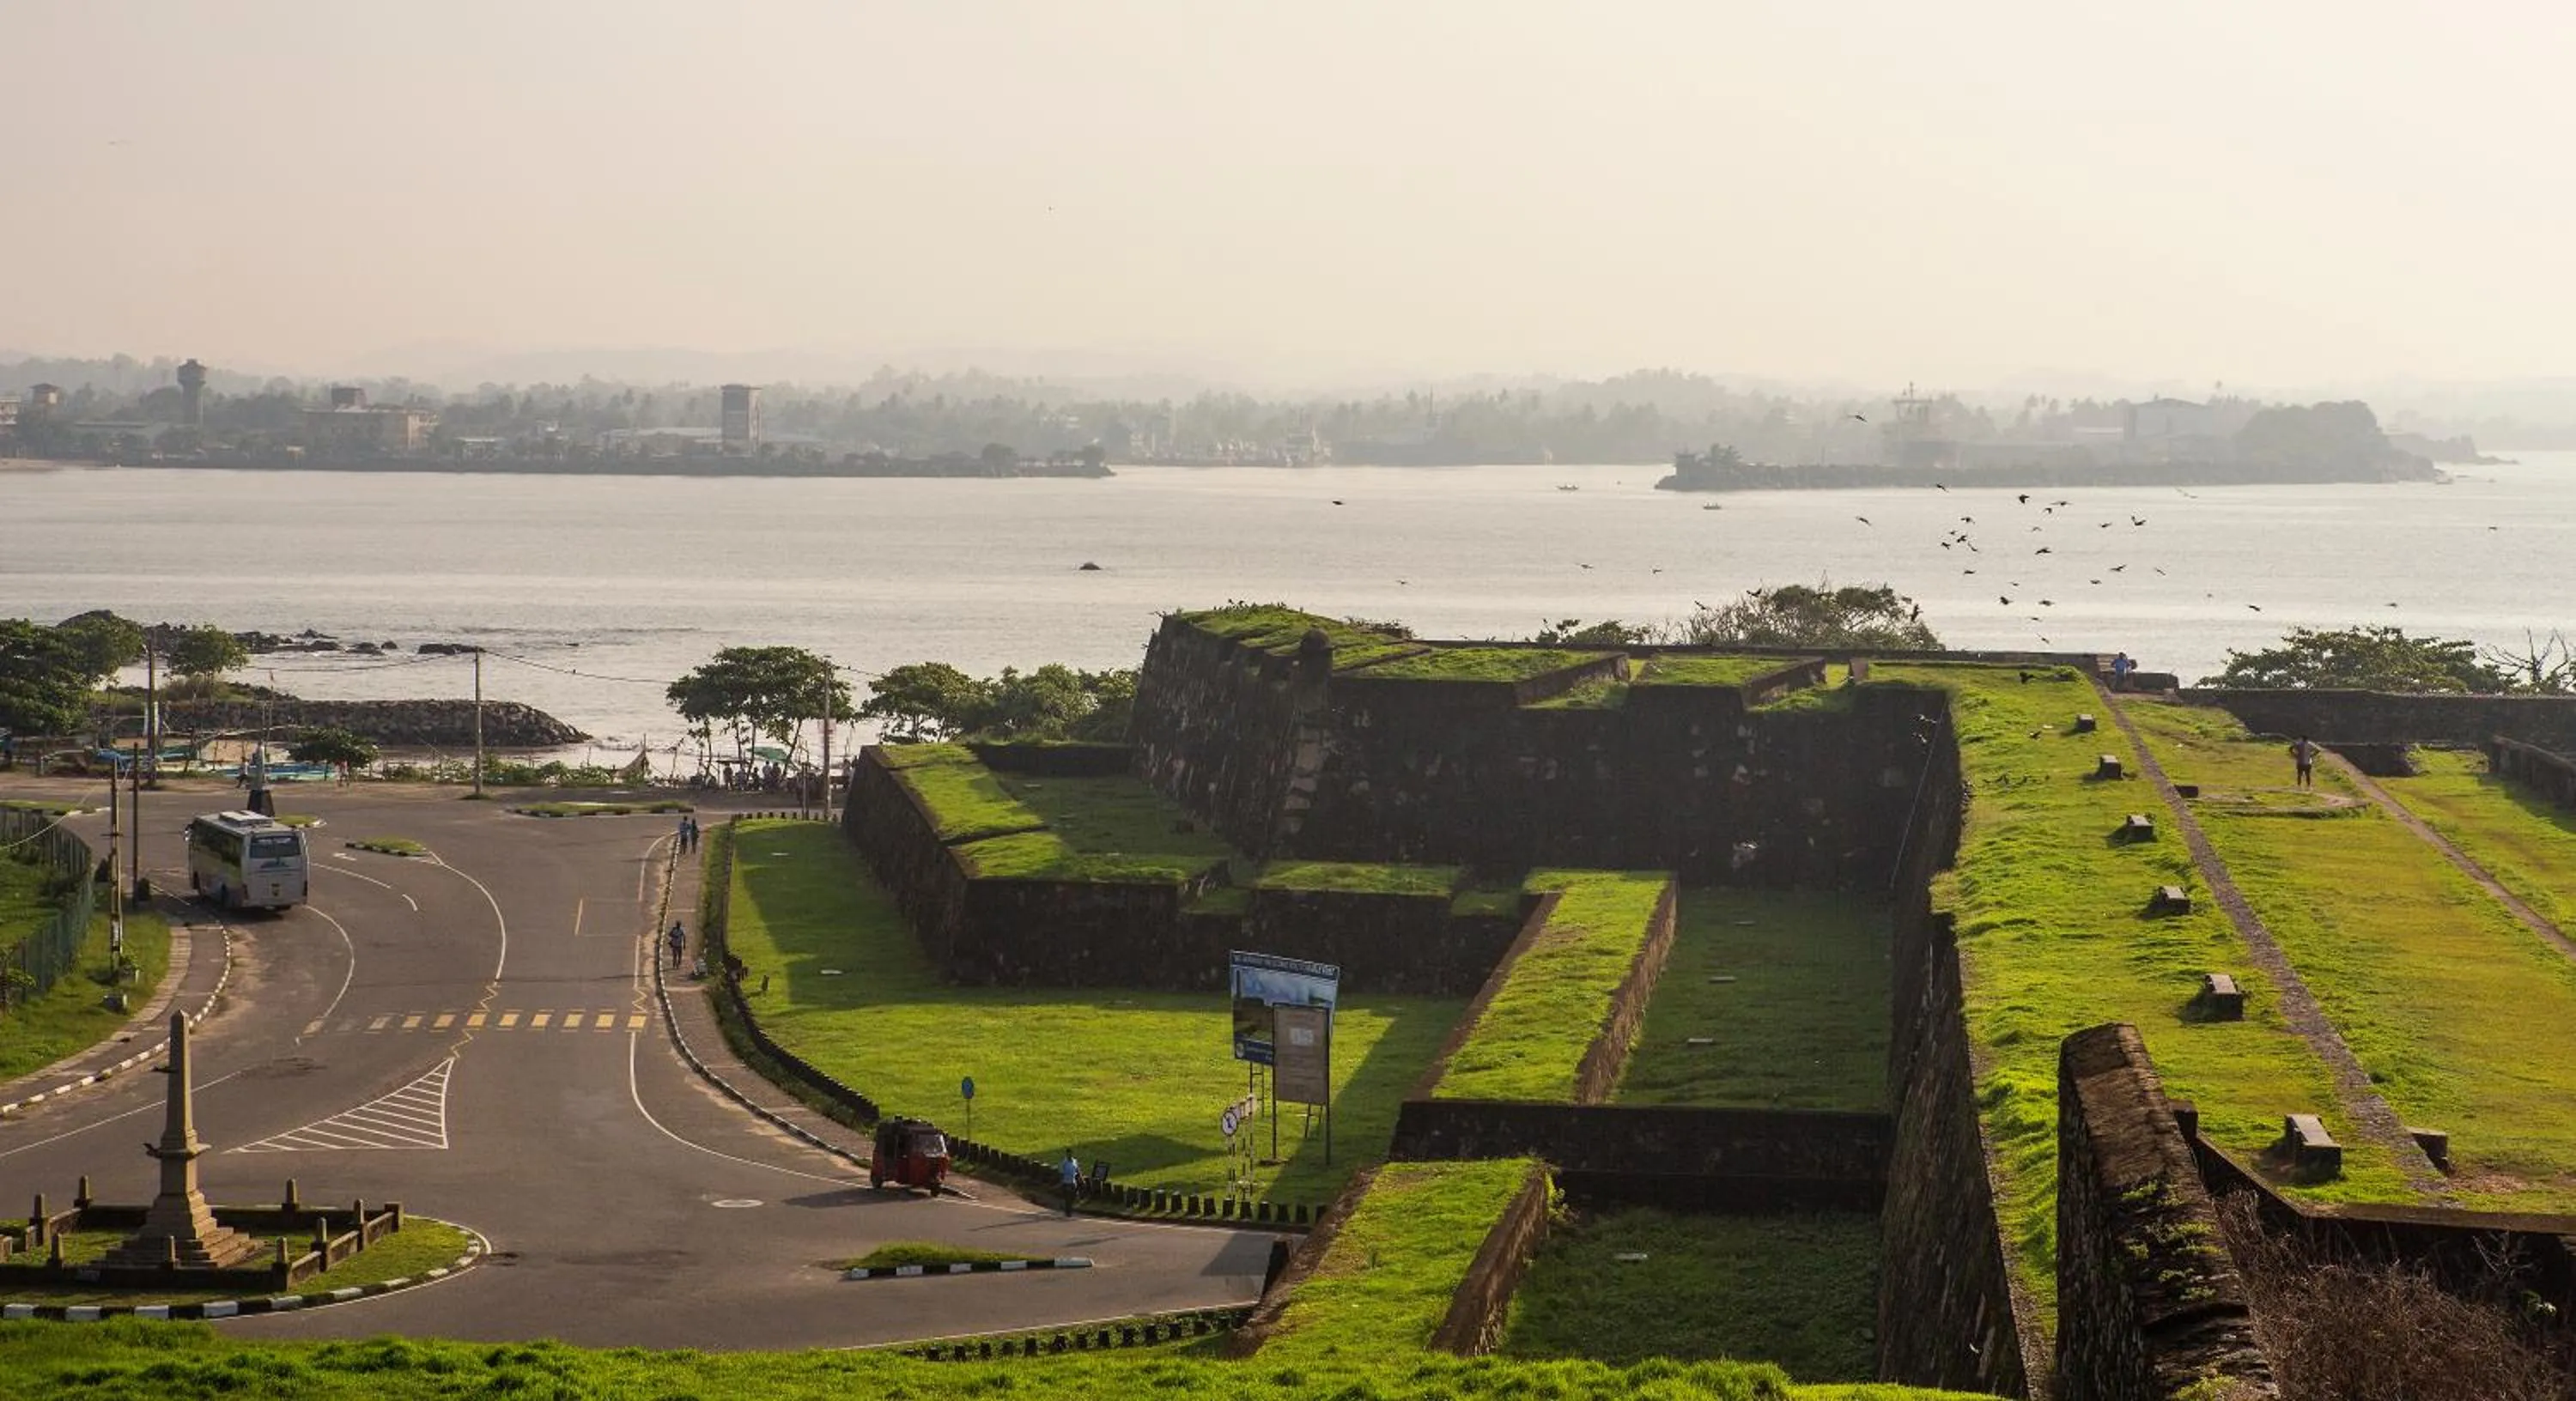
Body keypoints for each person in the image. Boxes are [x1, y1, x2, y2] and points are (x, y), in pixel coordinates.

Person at [1058, 1149, 1081, 1216]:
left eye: (1070, 1153)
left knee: (1073, 1196)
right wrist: (1061, 1181)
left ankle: (1068, 1208)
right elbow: (1061, 1173)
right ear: (1066, 1154)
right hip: (1066, 1182)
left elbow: (1078, 1170)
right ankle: (1068, 1211)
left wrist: (1081, 1179)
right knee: (1068, 1197)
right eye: (1068, 1154)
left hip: (1073, 1182)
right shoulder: (1064, 1162)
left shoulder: (1075, 1161)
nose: (1069, 1155)